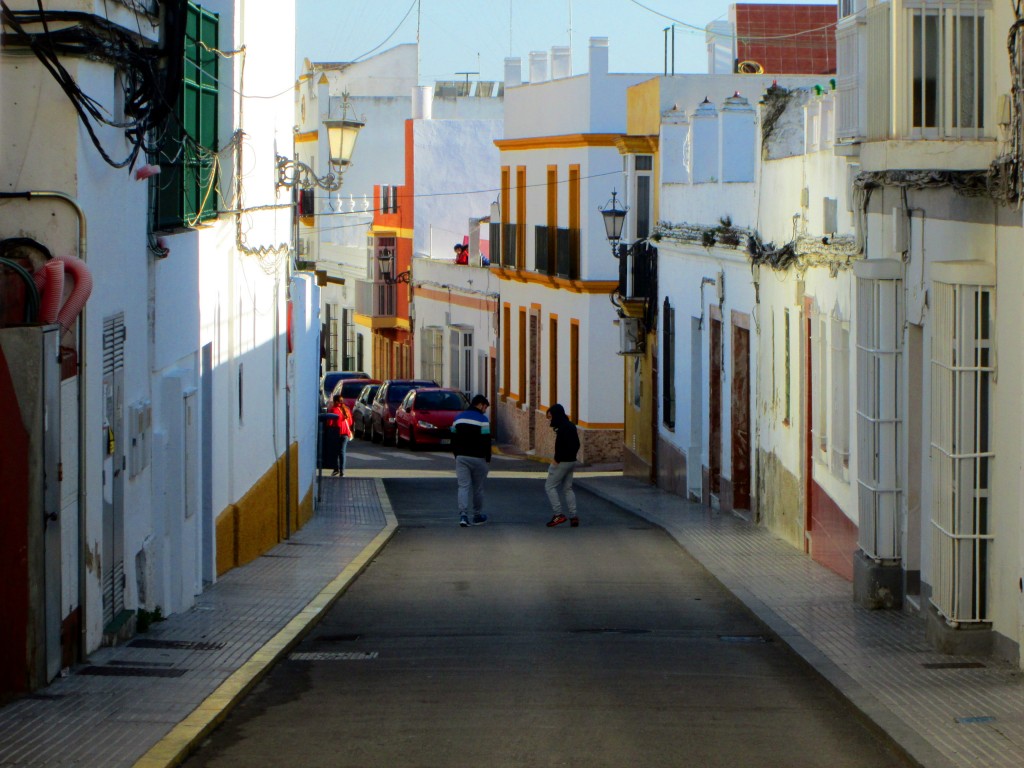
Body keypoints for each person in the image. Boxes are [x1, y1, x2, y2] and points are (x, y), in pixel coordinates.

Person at [451, 394, 491, 526]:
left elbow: (453, 438)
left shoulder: (457, 418)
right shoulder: (483, 420)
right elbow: (486, 441)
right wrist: (488, 458)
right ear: (479, 404)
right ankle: (477, 516)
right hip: (478, 458)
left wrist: (457, 454)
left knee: (463, 486)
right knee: (478, 488)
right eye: (485, 407)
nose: (485, 410)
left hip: (461, 457)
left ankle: (463, 516)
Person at [544, 403, 580, 527]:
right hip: (572, 461)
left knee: (549, 486)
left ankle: (558, 514)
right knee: (567, 488)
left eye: (550, 417)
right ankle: (573, 516)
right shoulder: (571, 426)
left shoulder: (562, 428)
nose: (550, 419)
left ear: (556, 415)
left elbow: (559, 447)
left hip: (561, 461)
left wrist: (556, 461)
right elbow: (577, 444)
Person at [327, 393, 353, 476]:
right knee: (342, 452)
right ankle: (342, 471)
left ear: (335, 401)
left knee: (335, 451)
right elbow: (350, 422)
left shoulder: (333, 410)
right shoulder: (346, 410)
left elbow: (329, 423)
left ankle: (336, 469)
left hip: (336, 433)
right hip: (345, 433)